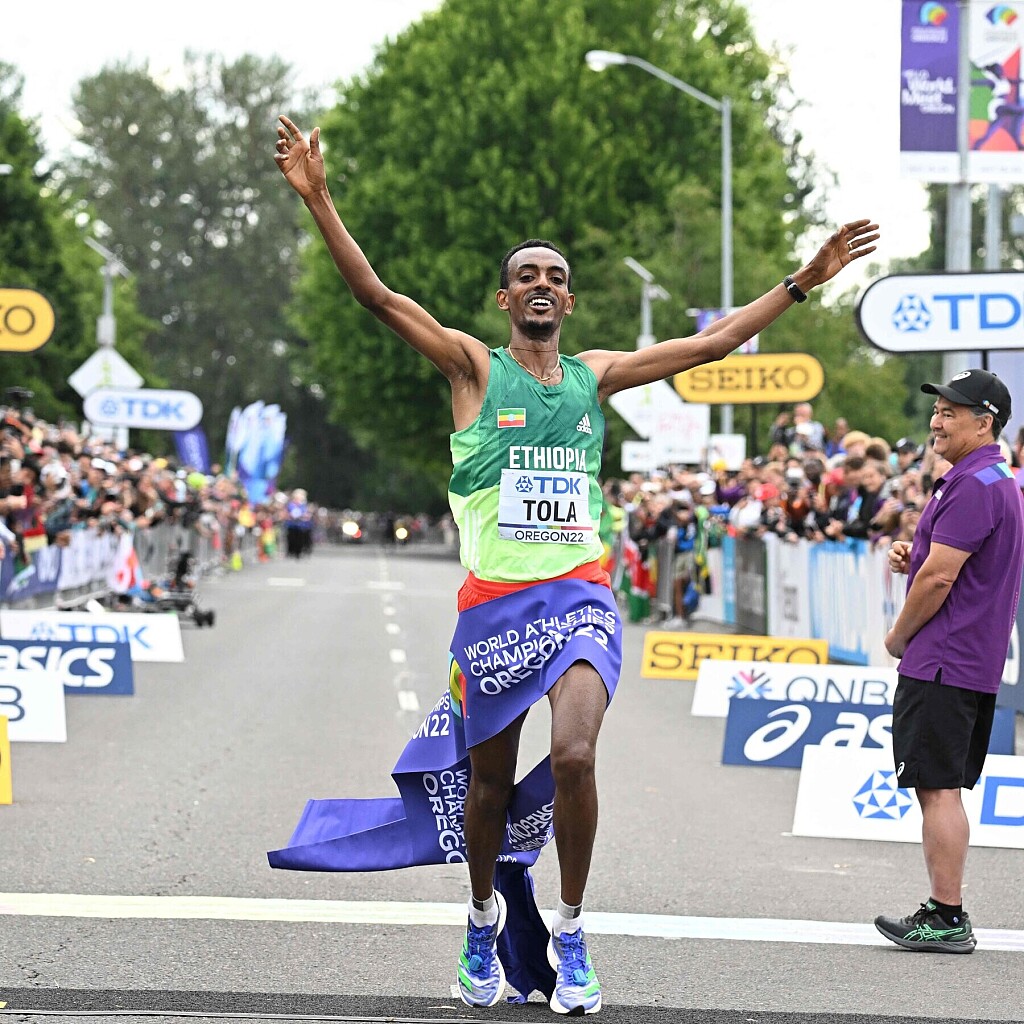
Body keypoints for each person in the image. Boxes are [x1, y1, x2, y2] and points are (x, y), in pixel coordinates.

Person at [273, 113, 879, 1012]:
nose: (543, 284)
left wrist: (802, 282)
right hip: (493, 608)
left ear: (570, 301)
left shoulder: (597, 375)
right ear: (504, 300)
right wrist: (321, 199)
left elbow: (710, 345)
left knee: (576, 756)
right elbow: (378, 297)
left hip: (580, 599)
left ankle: (572, 928)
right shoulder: (474, 370)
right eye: (527, 276)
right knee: (486, 785)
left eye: (556, 276)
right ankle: (481, 921)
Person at [876, 368, 1024, 954]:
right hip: (966, 657)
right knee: (942, 787)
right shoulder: (988, 478)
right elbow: (948, 564)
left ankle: (946, 914)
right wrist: (914, 556)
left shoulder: (975, 484)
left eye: (950, 413)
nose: (936, 421)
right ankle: (945, 911)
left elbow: (941, 578)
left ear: (984, 424)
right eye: (936, 410)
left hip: (943, 658)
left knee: (937, 788)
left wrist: (898, 635)